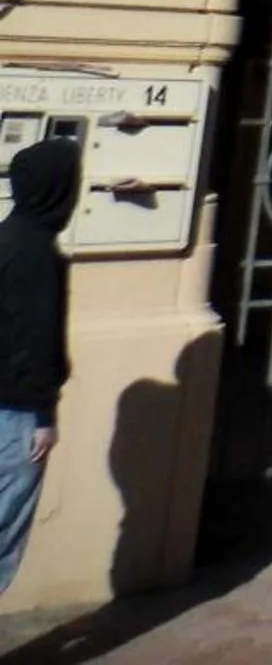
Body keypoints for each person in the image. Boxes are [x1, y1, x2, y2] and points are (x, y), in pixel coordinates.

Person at [0, 138, 78, 596]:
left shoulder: (5, 238)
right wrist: (44, 418)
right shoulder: (38, 254)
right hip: (16, 413)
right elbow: (38, 340)